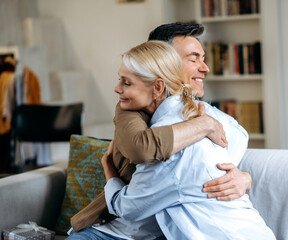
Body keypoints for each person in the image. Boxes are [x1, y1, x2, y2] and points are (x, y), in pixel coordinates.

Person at [70, 22, 252, 233]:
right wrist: (203, 125)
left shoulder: (202, 112)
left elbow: (239, 136)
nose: (205, 68)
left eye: (203, 59)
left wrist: (244, 178)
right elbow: (143, 148)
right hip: (118, 228)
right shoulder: (131, 107)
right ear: (162, 62)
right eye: (193, 59)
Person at [100, 41, 275, 239]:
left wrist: (109, 171)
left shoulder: (171, 145)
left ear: (158, 87)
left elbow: (128, 209)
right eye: (193, 59)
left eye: (126, 82)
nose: (116, 88)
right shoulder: (200, 117)